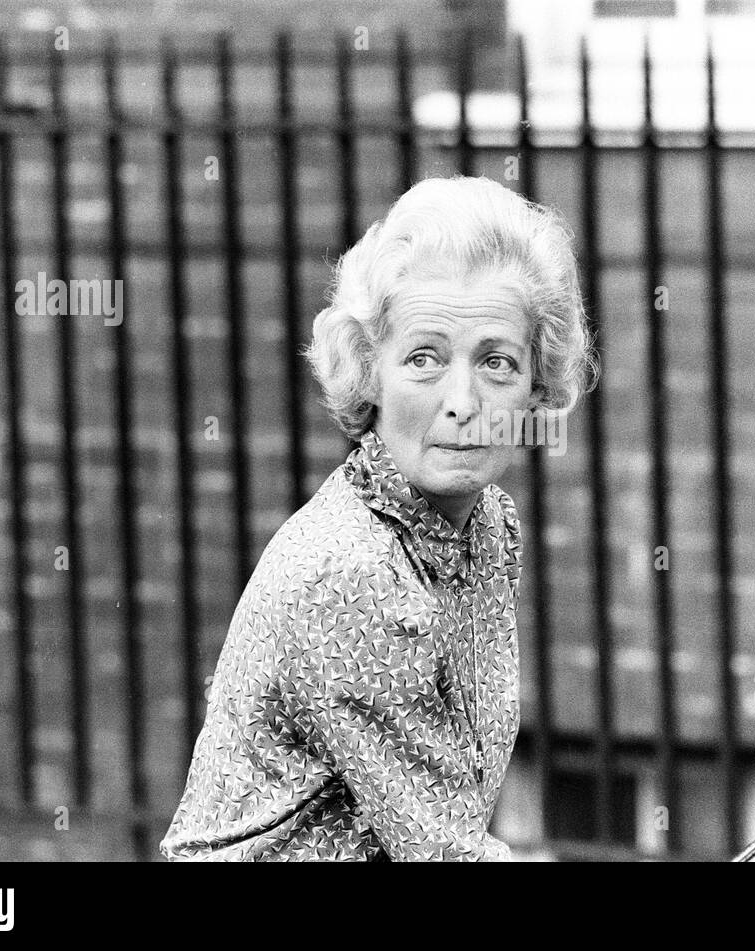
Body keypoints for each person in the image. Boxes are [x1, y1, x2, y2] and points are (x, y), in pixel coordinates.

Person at [160, 175, 595, 860]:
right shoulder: (351, 571)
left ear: (536, 385)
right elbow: (442, 854)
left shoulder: (488, 528)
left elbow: (452, 805)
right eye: (424, 358)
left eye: (497, 362)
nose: (462, 400)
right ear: (371, 372)